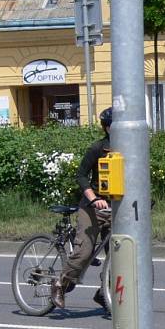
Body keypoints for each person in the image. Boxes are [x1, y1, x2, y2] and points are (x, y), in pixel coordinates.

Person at [51, 107, 113, 311]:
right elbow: (81, 175)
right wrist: (94, 198)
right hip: (93, 207)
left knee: (120, 255)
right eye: (115, 125)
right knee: (85, 251)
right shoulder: (98, 148)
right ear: (107, 128)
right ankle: (60, 283)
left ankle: (104, 292)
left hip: (116, 208)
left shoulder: (131, 147)